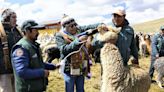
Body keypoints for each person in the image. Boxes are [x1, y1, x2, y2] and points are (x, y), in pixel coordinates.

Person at [11, 20, 60, 92]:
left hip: (35, 88)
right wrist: (42, 72)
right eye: (35, 30)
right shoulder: (21, 48)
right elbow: (22, 71)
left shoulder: (33, 45)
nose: (38, 33)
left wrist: (53, 66)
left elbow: (37, 63)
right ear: (27, 31)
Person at [55, 15, 100, 92]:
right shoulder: (60, 36)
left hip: (80, 65)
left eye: (75, 24)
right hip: (68, 67)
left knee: (81, 89)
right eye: (71, 26)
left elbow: (90, 27)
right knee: (69, 89)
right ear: (65, 27)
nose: (74, 27)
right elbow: (64, 49)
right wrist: (78, 41)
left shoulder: (79, 30)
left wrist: (100, 25)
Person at [0, 8, 22, 92]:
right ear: (7, 18)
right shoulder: (0, 31)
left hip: (18, 69)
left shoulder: (17, 31)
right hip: (4, 70)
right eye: (13, 17)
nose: (16, 20)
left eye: (16, 17)